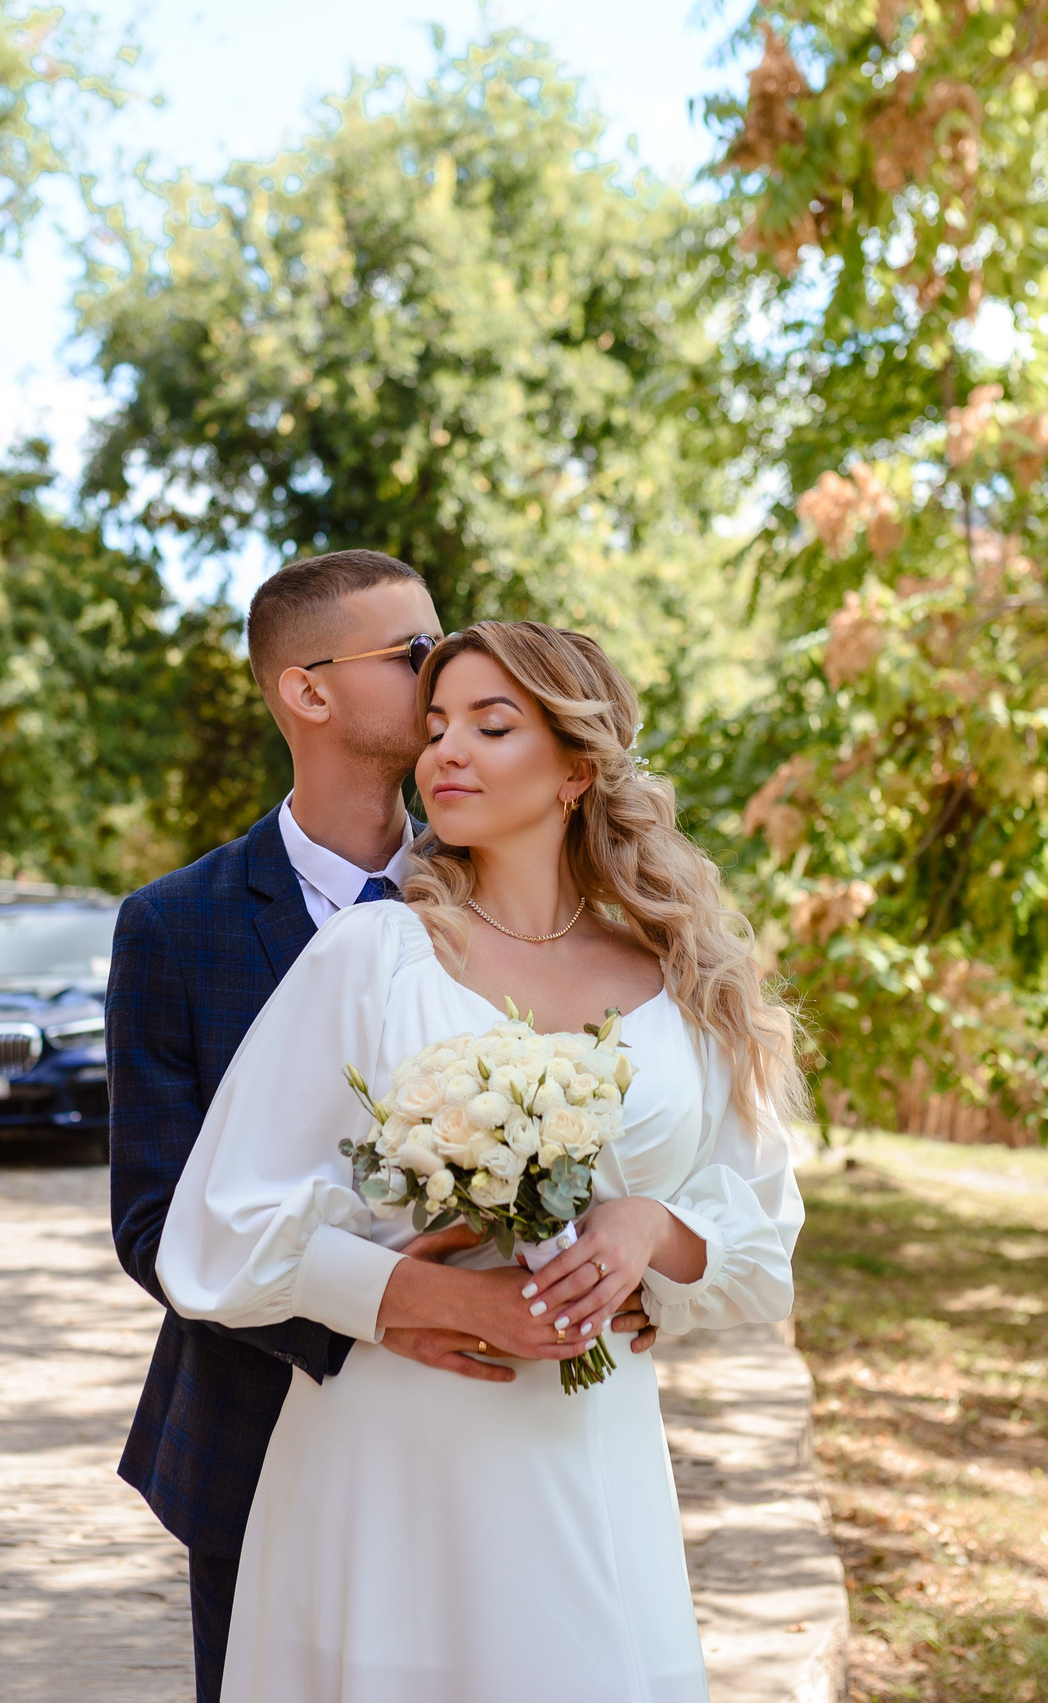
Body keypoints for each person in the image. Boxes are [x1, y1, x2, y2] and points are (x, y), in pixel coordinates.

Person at [157, 621, 808, 1703]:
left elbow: (761, 1239)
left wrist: (650, 1232)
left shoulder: (684, 983)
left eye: (490, 725)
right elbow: (219, 1225)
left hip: (589, 1442)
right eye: (437, 725)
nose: (445, 751)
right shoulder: (371, 956)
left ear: (575, 771)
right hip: (393, 1441)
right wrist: (404, 1292)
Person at [108, 555, 659, 1703]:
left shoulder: (516, 905)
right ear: (307, 692)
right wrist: (391, 1306)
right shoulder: (175, 925)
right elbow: (159, 1221)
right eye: (412, 654)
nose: (441, 666)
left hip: (513, 1428)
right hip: (253, 1427)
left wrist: (633, 1249)